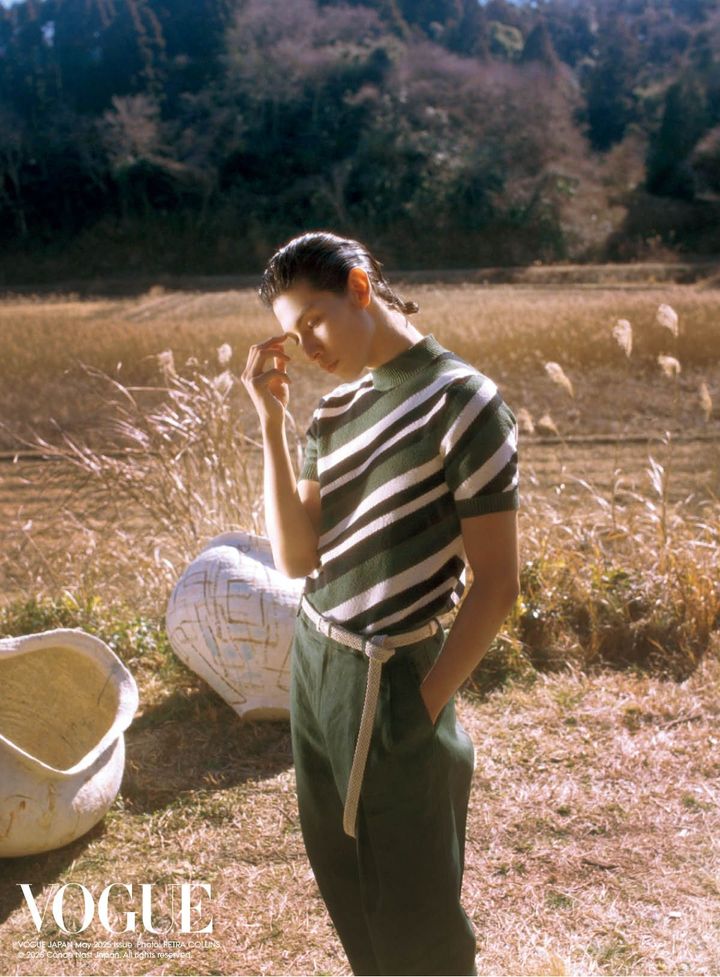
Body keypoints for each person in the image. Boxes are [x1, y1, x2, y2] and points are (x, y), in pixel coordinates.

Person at [242, 231, 520, 977]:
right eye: (293, 336)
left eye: (315, 323)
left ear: (361, 288)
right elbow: (298, 557)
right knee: (345, 877)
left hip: (397, 673)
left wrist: (424, 702)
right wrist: (271, 423)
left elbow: (498, 583)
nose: (308, 349)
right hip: (316, 661)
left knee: (418, 911)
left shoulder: (464, 403)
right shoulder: (331, 415)